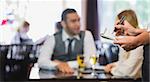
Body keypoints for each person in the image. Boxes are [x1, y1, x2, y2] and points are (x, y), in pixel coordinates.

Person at [38, 8, 96, 74]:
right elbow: (41, 61)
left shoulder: (87, 35)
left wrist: (64, 64)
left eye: (79, 20)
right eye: (73, 21)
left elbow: (89, 61)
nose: (78, 24)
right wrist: (57, 65)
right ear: (63, 24)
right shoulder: (52, 38)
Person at [104, 10, 143, 79]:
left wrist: (112, 70)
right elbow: (124, 62)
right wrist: (114, 65)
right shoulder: (126, 39)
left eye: (117, 25)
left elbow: (128, 71)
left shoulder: (139, 42)